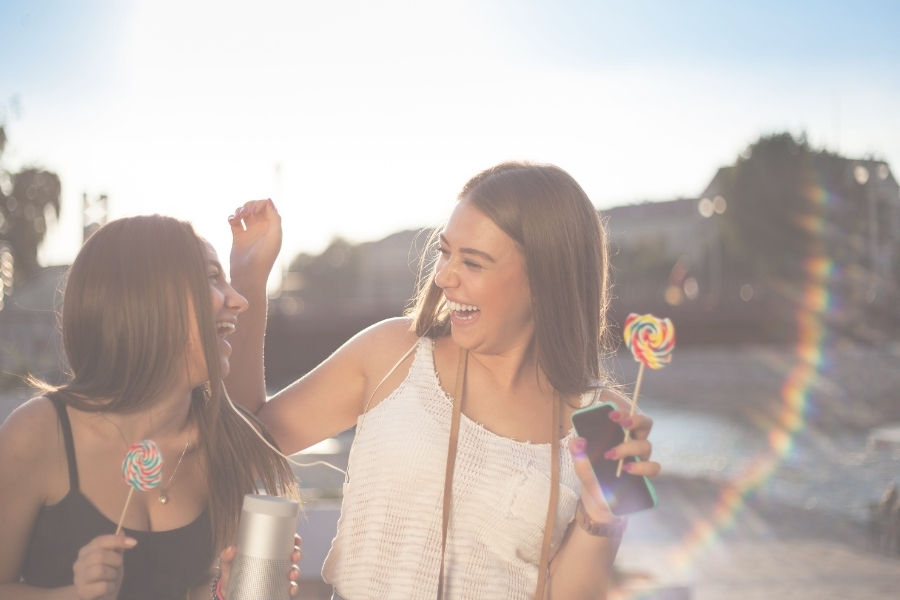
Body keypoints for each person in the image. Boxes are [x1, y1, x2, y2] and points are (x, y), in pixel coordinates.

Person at [226, 162, 661, 600]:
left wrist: (600, 514)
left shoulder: (603, 422)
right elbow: (245, 442)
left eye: (472, 262)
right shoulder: (393, 353)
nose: (444, 276)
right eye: (445, 251)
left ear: (545, 281)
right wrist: (248, 276)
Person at [0, 215, 301, 599]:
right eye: (211, 278)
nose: (237, 300)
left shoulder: (219, 442)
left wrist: (226, 590)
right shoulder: (39, 432)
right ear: (148, 297)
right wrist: (70, 596)